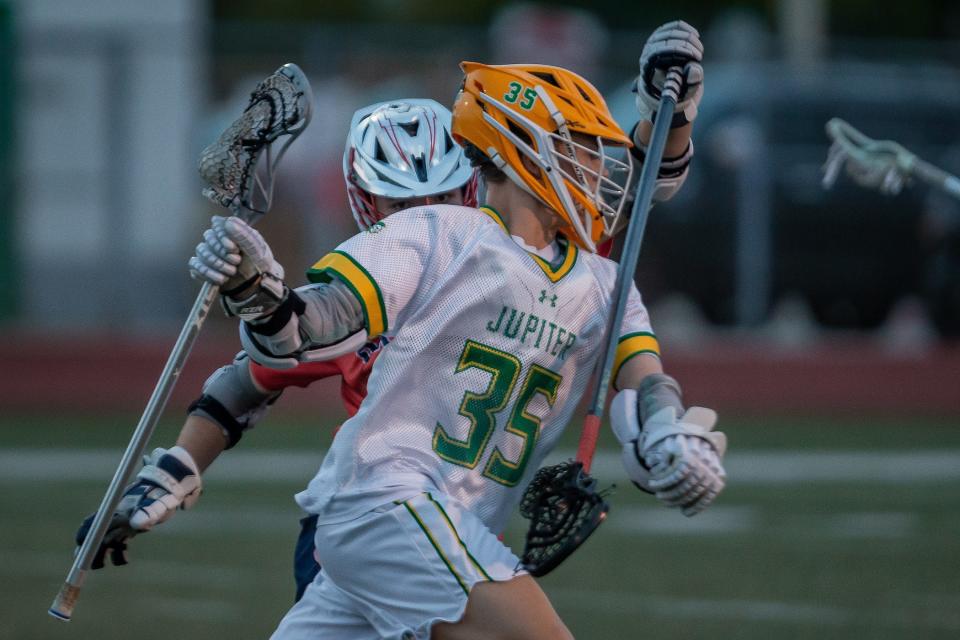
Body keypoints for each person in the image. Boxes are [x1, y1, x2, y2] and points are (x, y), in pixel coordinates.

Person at [188, 21, 726, 639]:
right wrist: (261, 293)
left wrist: (665, 432)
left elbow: (645, 378)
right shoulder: (441, 233)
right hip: (389, 503)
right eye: (579, 148)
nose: (597, 169)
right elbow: (319, 319)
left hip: (432, 525)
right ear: (525, 152)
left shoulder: (604, 283)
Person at [74, 99, 478, 601]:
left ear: (471, 189)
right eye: (400, 206)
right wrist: (175, 469)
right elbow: (244, 384)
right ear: (367, 203)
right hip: (366, 523)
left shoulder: (514, 275)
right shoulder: (363, 296)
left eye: (439, 198)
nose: (424, 222)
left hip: (468, 531)